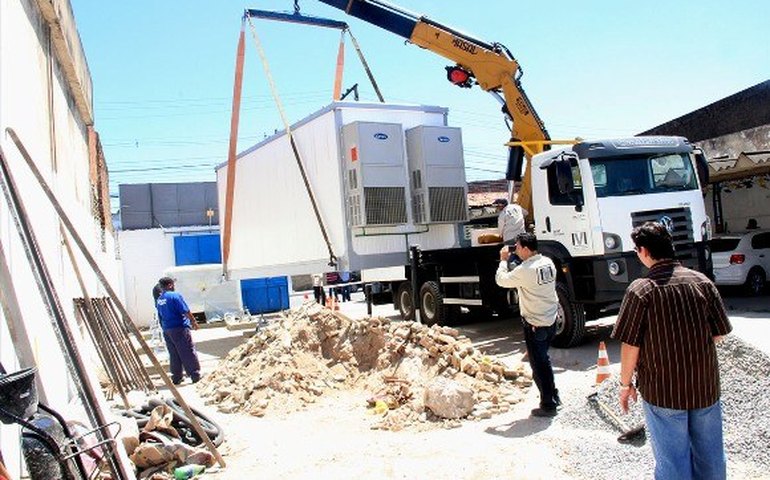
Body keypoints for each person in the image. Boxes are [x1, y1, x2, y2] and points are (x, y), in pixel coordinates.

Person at [612, 222, 732, 480]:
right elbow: (719, 333)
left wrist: (625, 384)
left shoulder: (641, 290)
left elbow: (630, 344)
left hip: (663, 392)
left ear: (643, 251)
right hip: (705, 387)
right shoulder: (702, 282)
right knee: (711, 457)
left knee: (673, 463)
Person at [495, 232, 560, 417]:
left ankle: (548, 404)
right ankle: (554, 395)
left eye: (517, 247)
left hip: (535, 324)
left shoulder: (525, 270)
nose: (516, 250)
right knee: (544, 360)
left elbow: (502, 280)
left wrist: (503, 260)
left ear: (525, 248)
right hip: (550, 320)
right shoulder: (547, 262)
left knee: (539, 365)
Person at [155, 277, 201, 385]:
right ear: (170, 285)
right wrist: (193, 322)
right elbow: (185, 310)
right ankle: (195, 375)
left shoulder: (160, 299)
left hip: (167, 329)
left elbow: (160, 315)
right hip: (179, 328)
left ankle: (176, 377)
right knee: (187, 351)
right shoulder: (175, 296)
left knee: (174, 353)